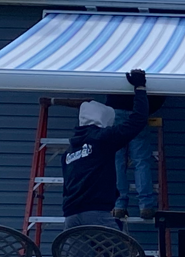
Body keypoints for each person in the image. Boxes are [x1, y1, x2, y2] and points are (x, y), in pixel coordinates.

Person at [61, 69, 150, 228]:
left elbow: (66, 189)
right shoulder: (103, 139)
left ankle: (121, 203)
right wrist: (140, 89)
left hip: (71, 217)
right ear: (104, 120)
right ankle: (145, 203)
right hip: (97, 214)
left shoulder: (69, 151)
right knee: (119, 252)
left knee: (75, 253)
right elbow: (138, 121)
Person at [105, 92, 165, 220]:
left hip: (116, 110)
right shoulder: (143, 75)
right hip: (137, 111)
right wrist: (146, 108)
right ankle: (146, 206)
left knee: (117, 160)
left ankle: (119, 204)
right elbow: (160, 95)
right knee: (141, 161)